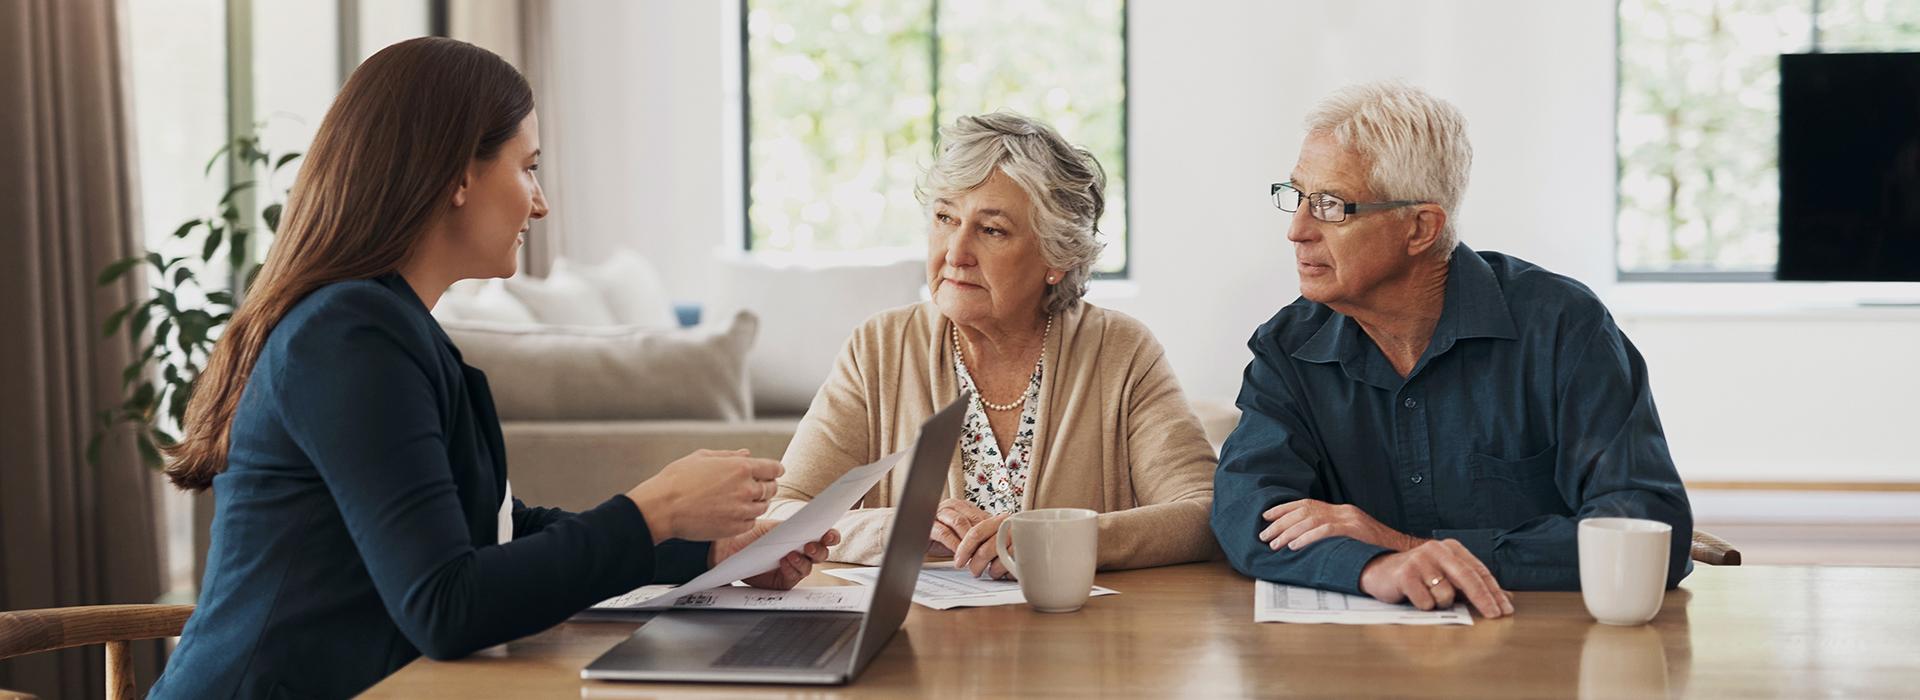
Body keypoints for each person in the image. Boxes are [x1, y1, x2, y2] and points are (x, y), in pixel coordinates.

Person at [149, 38, 832, 699]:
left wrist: (710, 552)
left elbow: (499, 530)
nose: (539, 202)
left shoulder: (387, 325)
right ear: (458, 175)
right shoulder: (349, 335)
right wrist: (656, 509)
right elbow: (446, 606)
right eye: (528, 166)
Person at [1211, 81, 1693, 618]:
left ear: (1420, 228)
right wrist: (1374, 567)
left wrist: (1409, 547)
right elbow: (1246, 512)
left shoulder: (1563, 327)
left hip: (1543, 654)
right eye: (1297, 196)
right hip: (1358, 662)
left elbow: (1652, 530)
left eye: (1330, 206)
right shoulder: (1288, 348)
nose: (1297, 230)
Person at [771, 113, 1218, 578]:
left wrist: (1059, 539)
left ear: (1057, 257)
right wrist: (897, 528)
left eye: (992, 230)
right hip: (920, 640)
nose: (955, 252)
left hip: (1078, 635)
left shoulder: (1121, 351)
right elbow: (782, 514)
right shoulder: (879, 347)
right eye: (945, 218)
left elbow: (1202, 514)